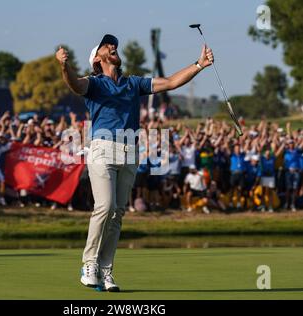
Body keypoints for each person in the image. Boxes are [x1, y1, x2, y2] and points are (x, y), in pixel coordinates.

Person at [56, 34, 214, 292]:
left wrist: (198, 65)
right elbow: (74, 84)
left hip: (130, 151)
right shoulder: (94, 84)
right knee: (105, 206)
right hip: (102, 149)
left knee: (117, 213)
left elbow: (171, 82)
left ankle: (106, 271)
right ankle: (89, 263)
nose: (113, 46)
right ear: (97, 58)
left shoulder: (133, 84)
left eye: (113, 44)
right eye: (107, 45)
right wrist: (64, 66)